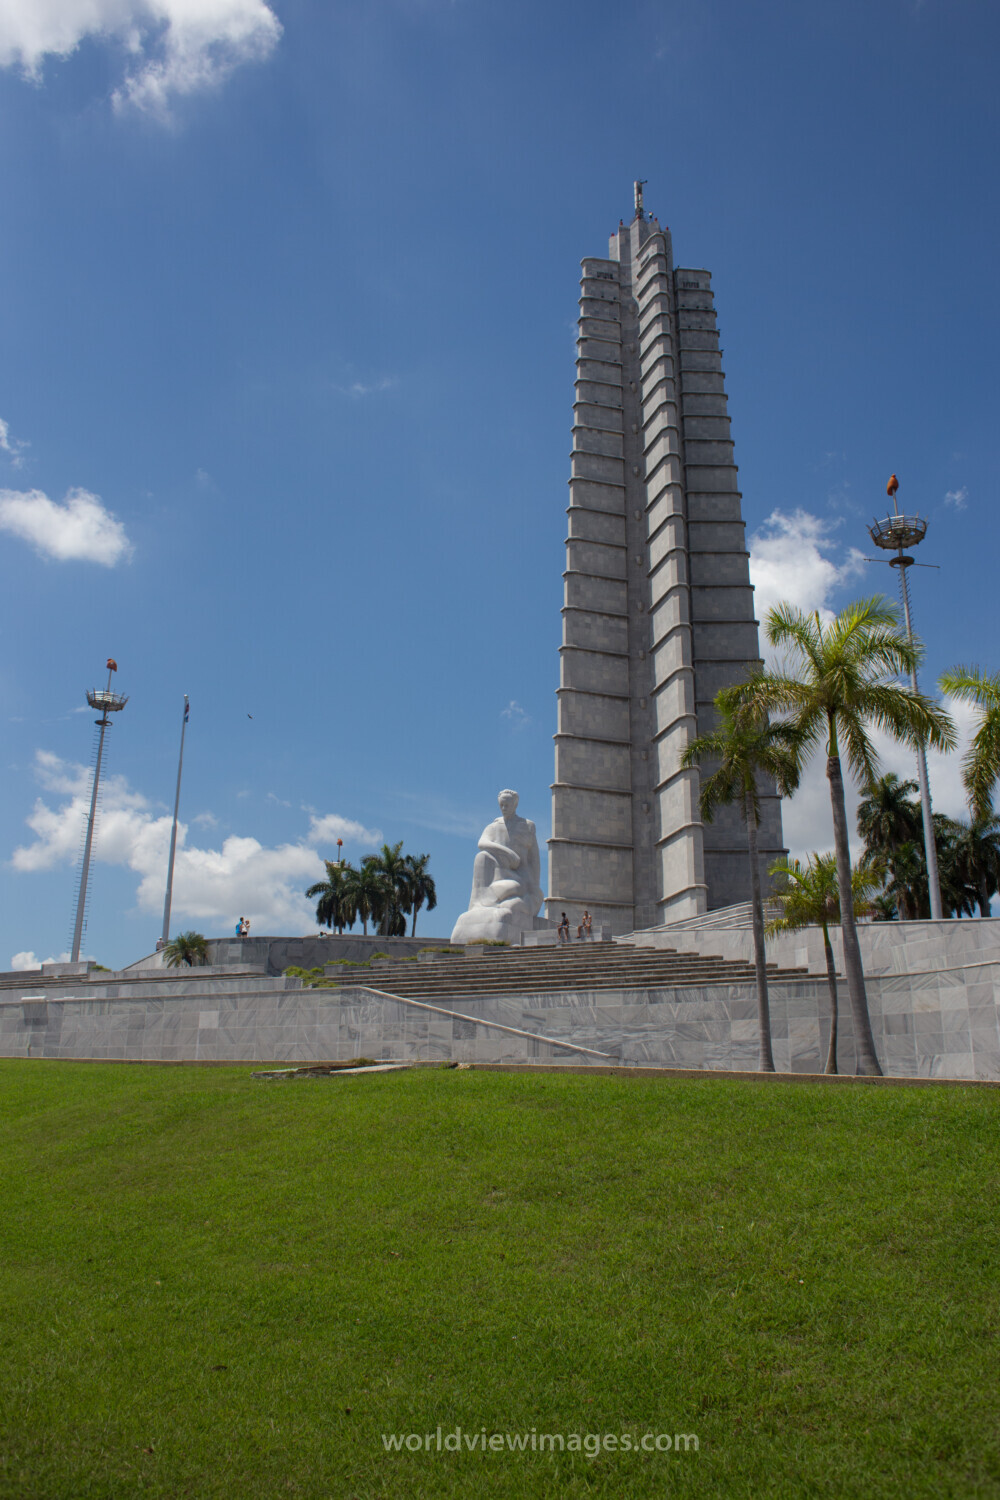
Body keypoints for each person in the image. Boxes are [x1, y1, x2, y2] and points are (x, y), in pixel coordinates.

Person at [450, 790, 545, 944]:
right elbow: (482, 843)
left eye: (507, 805)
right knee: (481, 857)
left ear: (515, 804)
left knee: (512, 891)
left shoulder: (527, 826)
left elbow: (535, 861)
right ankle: (478, 905)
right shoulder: (493, 827)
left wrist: (534, 888)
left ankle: (491, 904)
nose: (504, 808)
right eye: (501, 805)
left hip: (522, 879)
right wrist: (508, 853)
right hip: (499, 875)